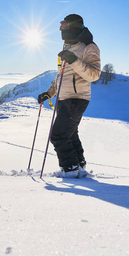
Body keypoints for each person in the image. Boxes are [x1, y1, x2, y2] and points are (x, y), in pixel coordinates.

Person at [38, 14, 101, 177]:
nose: (61, 27)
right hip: (64, 98)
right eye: (60, 24)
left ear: (75, 26)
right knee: (70, 134)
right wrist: (49, 93)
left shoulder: (89, 47)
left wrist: (74, 61)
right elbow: (62, 75)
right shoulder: (67, 48)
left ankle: (70, 170)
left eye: (64, 24)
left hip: (77, 98)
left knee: (58, 135)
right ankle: (79, 166)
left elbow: (94, 75)